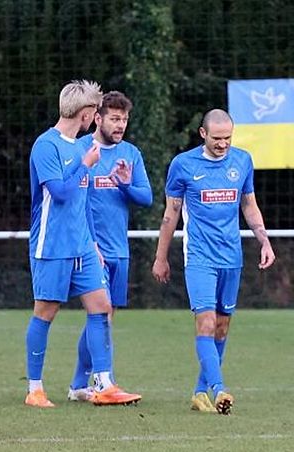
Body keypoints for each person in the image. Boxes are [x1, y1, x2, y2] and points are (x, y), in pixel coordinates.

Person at [24, 80, 141, 408]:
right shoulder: (47, 146)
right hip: (53, 245)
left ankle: (104, 383)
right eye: (94, 112)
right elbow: (60, 194)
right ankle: (35, 389)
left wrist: (94, 244)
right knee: (46, 312)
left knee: (102, 308)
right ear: (87, 113)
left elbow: (83, 201)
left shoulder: (81, 147)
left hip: (83, 247)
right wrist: (84, 165)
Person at [152, 109, 275, 415]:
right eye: (217, 138)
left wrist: (264, 239)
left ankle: (198, 392)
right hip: (200, 258)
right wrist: (160, 257)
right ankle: (219, 389)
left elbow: (249, 205)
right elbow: (171, 215)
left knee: (221, 329)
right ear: (203, 134)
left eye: (228, 138)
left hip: (231, 257)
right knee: (205, 323)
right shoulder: (183, 165)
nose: (223, 144)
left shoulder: (243, 161)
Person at [68, 91, 153, 401]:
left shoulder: (130, 153)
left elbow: (146, 198)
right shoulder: (80, 149)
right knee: (100, 314)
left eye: (125, 120)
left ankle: (78, 385)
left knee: (105, 317)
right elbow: (73, 200)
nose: (120, 125)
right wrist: (89, 243)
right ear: (98, 118)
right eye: (115, 119)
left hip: (120, 249)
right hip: (90, 249)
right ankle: (105, 381)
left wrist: (124, 183)